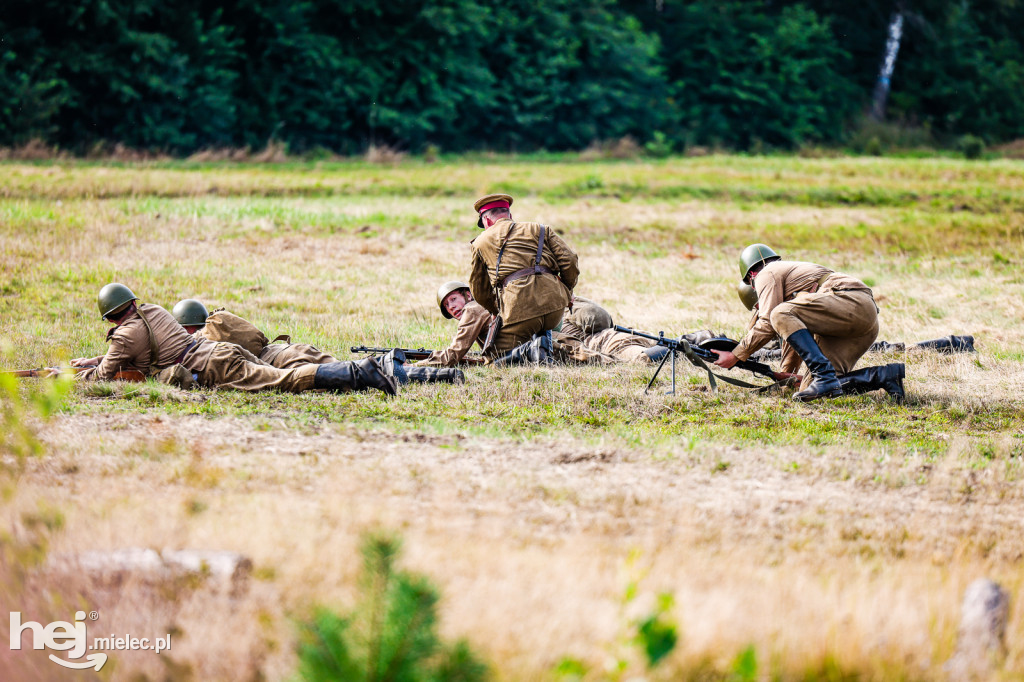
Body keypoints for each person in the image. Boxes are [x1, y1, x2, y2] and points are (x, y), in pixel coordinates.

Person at [72, 283, 399, 395]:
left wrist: (75, 374)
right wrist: (93, 360)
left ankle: (362, 373)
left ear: (110, 316)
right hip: (218, 349)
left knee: (281, 382)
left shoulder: (124, 337)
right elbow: (144, 350)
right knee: (282, 372)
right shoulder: (154, 311)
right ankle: (360, 374)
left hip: (212, 365)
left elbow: (103, 378)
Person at [712, 244, 905, 402]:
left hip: (851, 301)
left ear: (751, 276)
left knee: (778, 314)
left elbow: (770, 320)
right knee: (810, 390)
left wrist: (736, 355)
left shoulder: (766, 273)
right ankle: (884, 376)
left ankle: (824, 376)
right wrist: (786, 377)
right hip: (862, 322)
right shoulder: (792, 296)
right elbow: (790, 335)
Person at [172, 298, 463, 384]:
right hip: (286, 348)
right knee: (353, 367)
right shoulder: (223, 319)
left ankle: (427, 376)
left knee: (352, 377)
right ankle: (444, 375)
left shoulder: (201, 339)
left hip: (275, 362)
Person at [469, 193, 580, 366]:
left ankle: (530, 350)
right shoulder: (540, 229)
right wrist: (566, 291)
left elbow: (479, 289)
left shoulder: (480, 242)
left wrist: (498, 310)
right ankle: (543, 344)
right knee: (541, 325)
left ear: (487, 221)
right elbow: (570, 261)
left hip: (520, 310)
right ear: (509, 215)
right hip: (555, 309)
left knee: (492, 361)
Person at [418, 281, 493, 367]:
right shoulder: (479, 306)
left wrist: (413, 366)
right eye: (446, 305)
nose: (451, 307)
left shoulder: (471, 310)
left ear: (468, 296)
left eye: (453, 299)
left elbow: (452, 356)